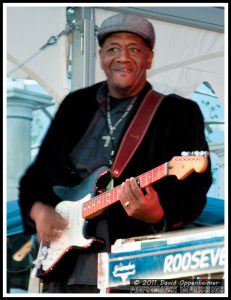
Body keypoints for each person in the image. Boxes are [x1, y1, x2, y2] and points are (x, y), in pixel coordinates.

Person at [18, 13, 212, 293]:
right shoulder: (76, 105)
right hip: (65, 271)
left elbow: (195, 190)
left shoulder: (177, 113)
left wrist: (159, 214)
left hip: (133, 270)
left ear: (149, 59)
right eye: (113, 48)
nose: (123, 57)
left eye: (134, 49)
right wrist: (38, 211)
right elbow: (35, 177)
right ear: (101, 57)